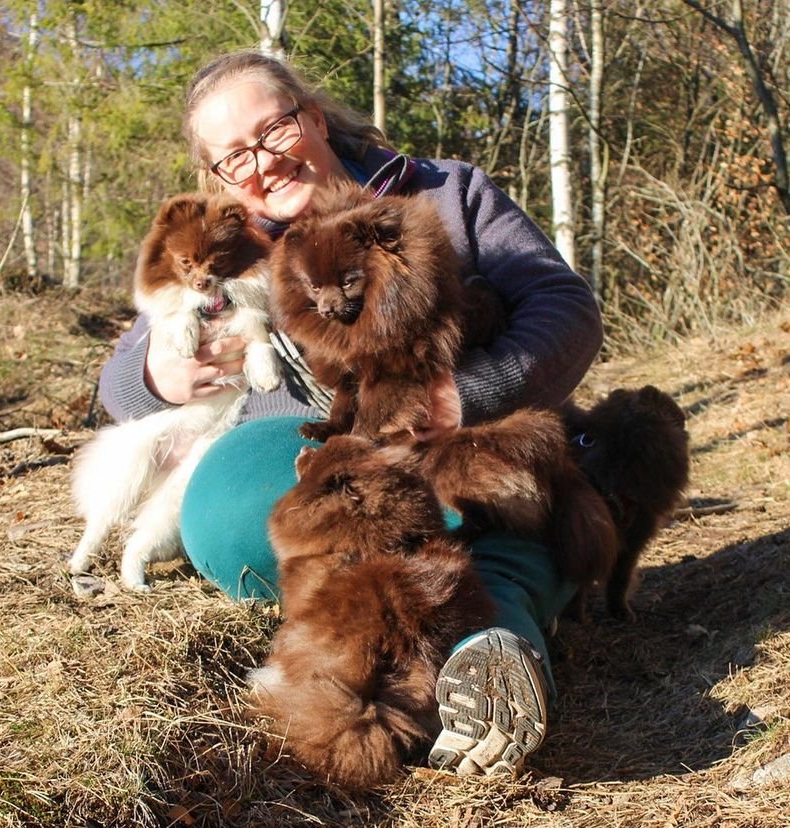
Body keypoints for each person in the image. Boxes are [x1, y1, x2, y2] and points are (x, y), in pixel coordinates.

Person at [99, 49, 603, 777]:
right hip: (319, 475)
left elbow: (567, 309)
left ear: (313, 115)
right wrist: (163, 372)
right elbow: (119, 384)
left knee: (509, 512)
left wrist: (470, 395)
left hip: (463, 460)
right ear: (216, 179)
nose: (263, 164)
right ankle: (438, 667)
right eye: (235, 158)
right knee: (233, 497)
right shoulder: (222, 248)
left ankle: (487, 662)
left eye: (274, 131)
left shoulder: (446, 192)